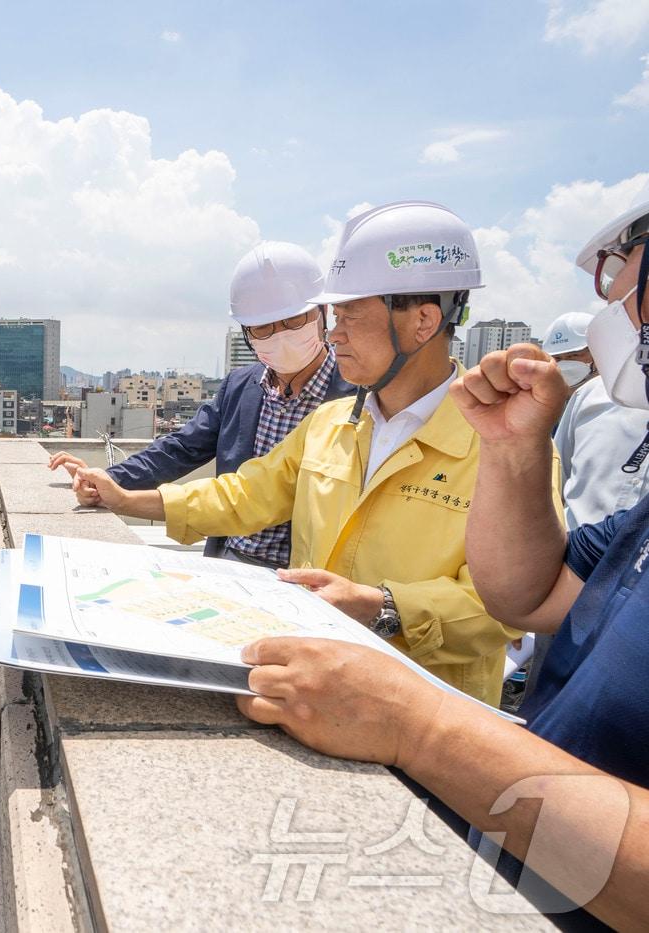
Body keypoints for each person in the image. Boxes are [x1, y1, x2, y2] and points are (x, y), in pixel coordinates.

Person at [229, 197, 649, 929]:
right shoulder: (341, 421)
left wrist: (415, 721)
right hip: (504, 859)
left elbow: (488, 620)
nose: (612, 304)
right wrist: (515, 449)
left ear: (421, 320)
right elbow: (531, 594)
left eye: (626, 282)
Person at [77, 201, 543, 706]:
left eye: (349, 316)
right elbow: (243, 495)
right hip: (313, 693)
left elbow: (510, 606)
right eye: (333, 315)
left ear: (423, 321)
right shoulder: (333, 423)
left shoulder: (503, 449)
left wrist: (382, 606)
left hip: (427, 715)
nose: (334, 333)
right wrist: (126, 500)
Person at [50, 241, 356, 569]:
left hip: (307, 574)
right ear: (247, 333)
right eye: (264, 327)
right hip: (230, 560)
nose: (280, 335)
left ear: (322, 314)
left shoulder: (358, 394)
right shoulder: (242, 387)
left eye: (293, 320)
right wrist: (106, 480)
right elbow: (179, 449)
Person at [543, 311, 649, 530]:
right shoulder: (587, 396)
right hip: (573, 550)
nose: (563, 365)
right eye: (558, 359)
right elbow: (556, 480)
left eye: (573, 356)